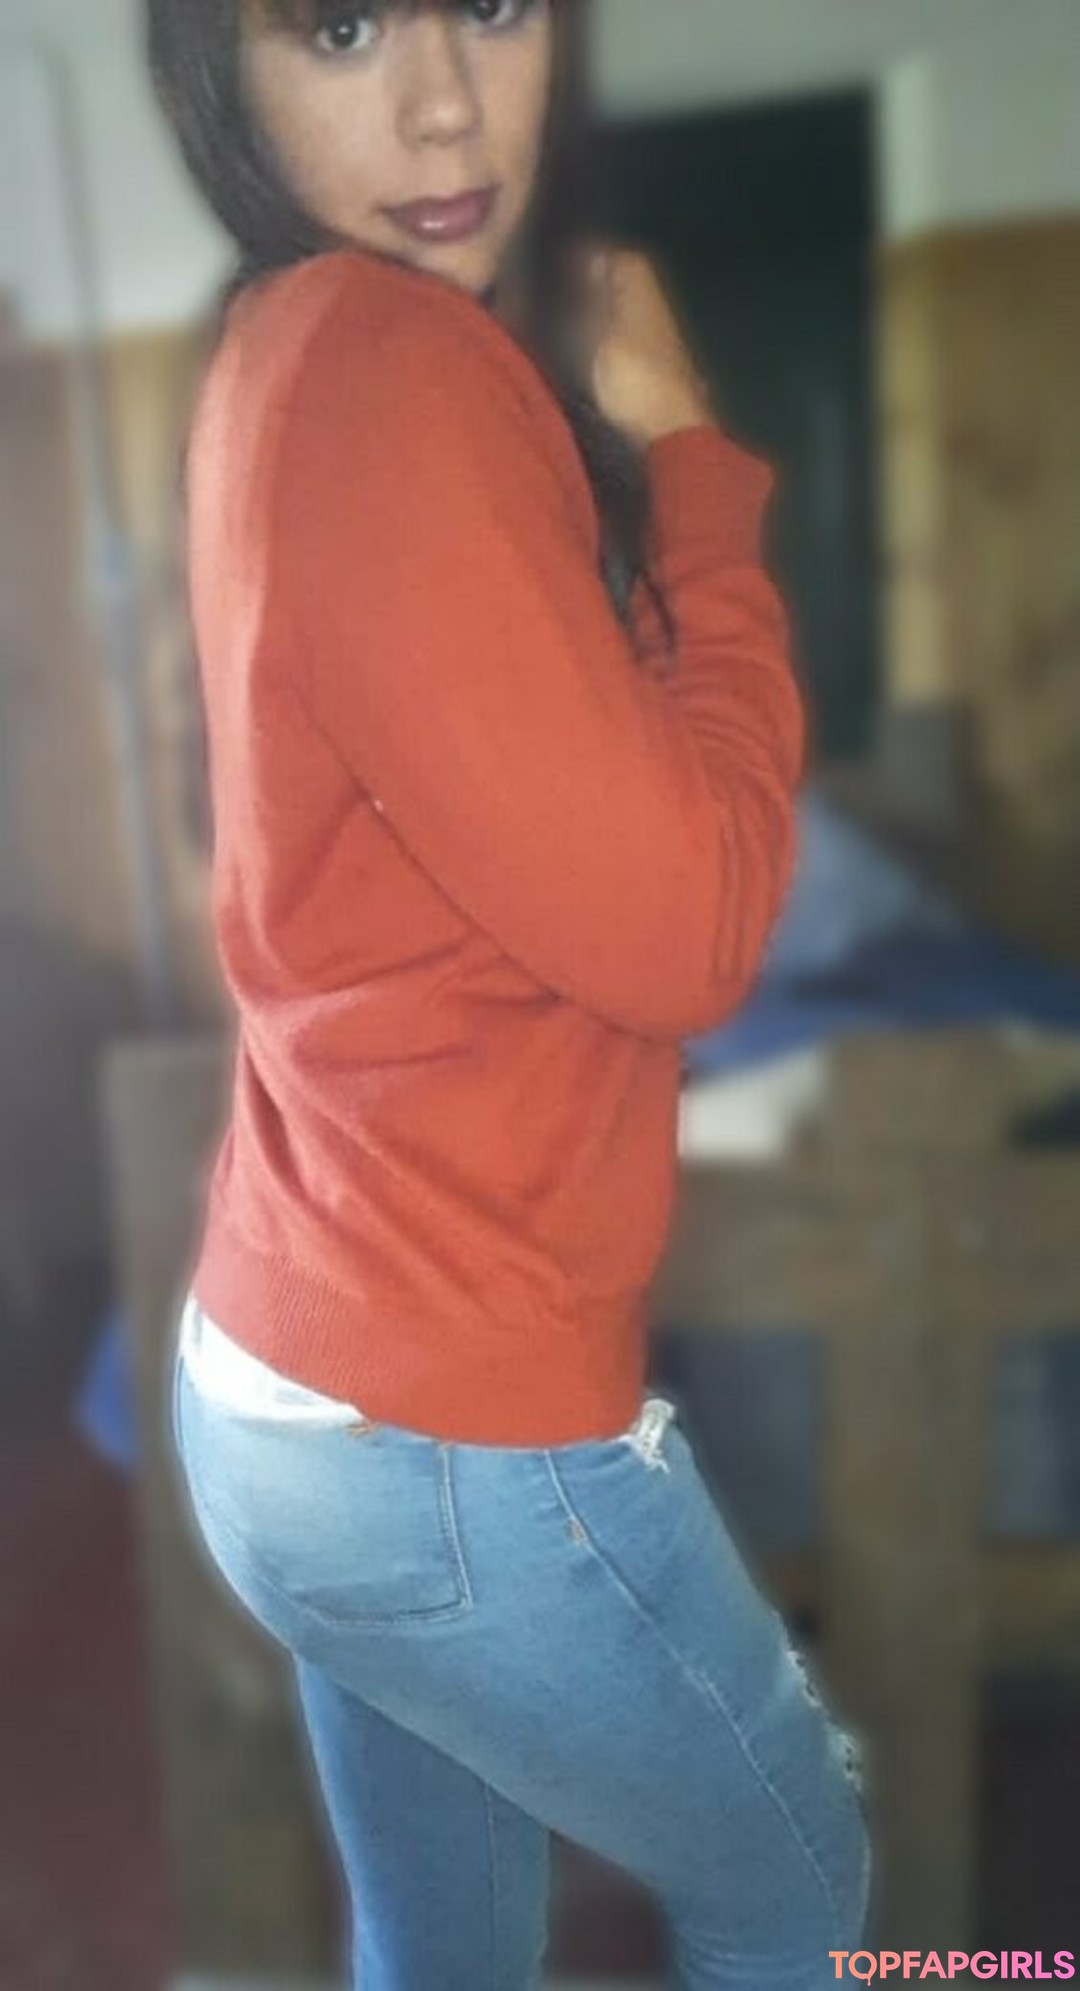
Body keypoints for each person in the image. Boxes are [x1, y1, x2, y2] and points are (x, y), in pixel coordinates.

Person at [148, 1, 872, 1982]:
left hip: (277, 1392)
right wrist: (695, 459)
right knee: (807, 1894)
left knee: (440, 1938)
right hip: (445, 1449)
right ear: (221, 69)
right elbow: (699, 922)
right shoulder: (397, 364)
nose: (447, 104)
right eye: (342, 24)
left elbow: (555, 799)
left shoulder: (275, 355)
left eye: (489, 4)